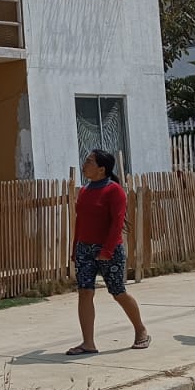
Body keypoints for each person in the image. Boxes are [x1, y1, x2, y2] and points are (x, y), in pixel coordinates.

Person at [65, 149, 150, 355]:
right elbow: (80, 223)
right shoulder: (84, 191)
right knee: (85, 292)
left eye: (89, 162)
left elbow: (117, 223)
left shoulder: (114, 191)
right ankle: (88, 343)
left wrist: (108, 249)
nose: (85, 165)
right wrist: (75, 248)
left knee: (118, 292)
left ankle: (141, 330)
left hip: (109, 250)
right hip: (84, 249)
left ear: (101, 169)